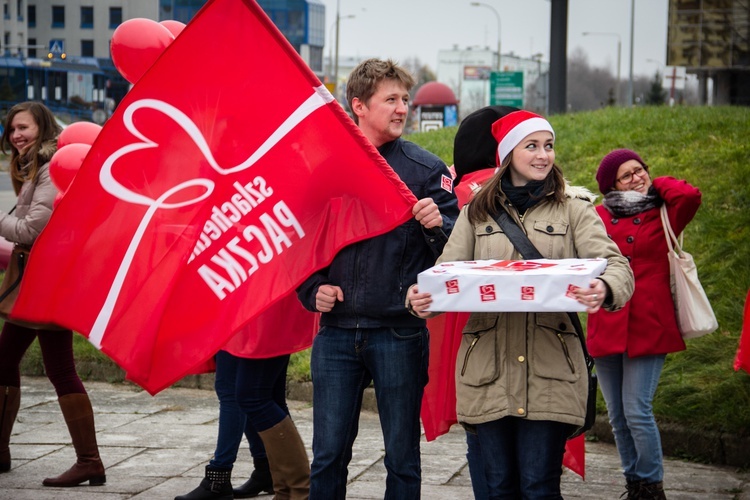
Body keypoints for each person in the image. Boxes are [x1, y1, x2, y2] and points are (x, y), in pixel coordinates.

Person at [408, 110, 634, 499]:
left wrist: (604, 287)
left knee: (539, 486)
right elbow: (447, 274)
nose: (544, 155)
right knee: (497, 488)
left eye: (548, 146)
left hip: (551, 370)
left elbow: (618, 266)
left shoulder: (575, 208)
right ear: (509, 152)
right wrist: (421, 299)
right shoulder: (475, 213)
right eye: (532, 146)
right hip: (486, 371)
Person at [296, 58, 459, 499]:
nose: (402, 108)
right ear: (359, 106)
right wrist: (312, 290)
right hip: (336, 335)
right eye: (391, 99)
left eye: (405, 99)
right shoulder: (325, 165)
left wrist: (435, 226)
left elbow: (454, 254)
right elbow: (298, 241)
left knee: (402, 457)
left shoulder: (427, 170)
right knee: (328, 454)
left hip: (399, 333)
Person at [0, 101, 106, 486]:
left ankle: (90, 460)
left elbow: (31, 229)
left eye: (23, 128)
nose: (16, 136)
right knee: (10, 358)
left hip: (46, 282)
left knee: (58, 368)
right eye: (12, 129)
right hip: (40, 281)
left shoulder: (50, 169)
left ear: (41, 128)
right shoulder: (37, 166)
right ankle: (5, 450)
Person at [587, 149, 702, 500]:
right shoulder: (599, 216)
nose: (637, 177)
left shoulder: (663, 210)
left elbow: (690, 195)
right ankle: (634, 482)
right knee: (619, 417)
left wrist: (655, 185)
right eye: (627, 175)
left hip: (649, 325)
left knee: (638, 410)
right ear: (610, 186)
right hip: (607, 321)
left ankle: (652, 487)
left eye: (640, 170)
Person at [175, 350, 275, 500]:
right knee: (246, 391)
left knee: (231, 389)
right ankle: (266, 469)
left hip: (238, 329)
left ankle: (218, 479)